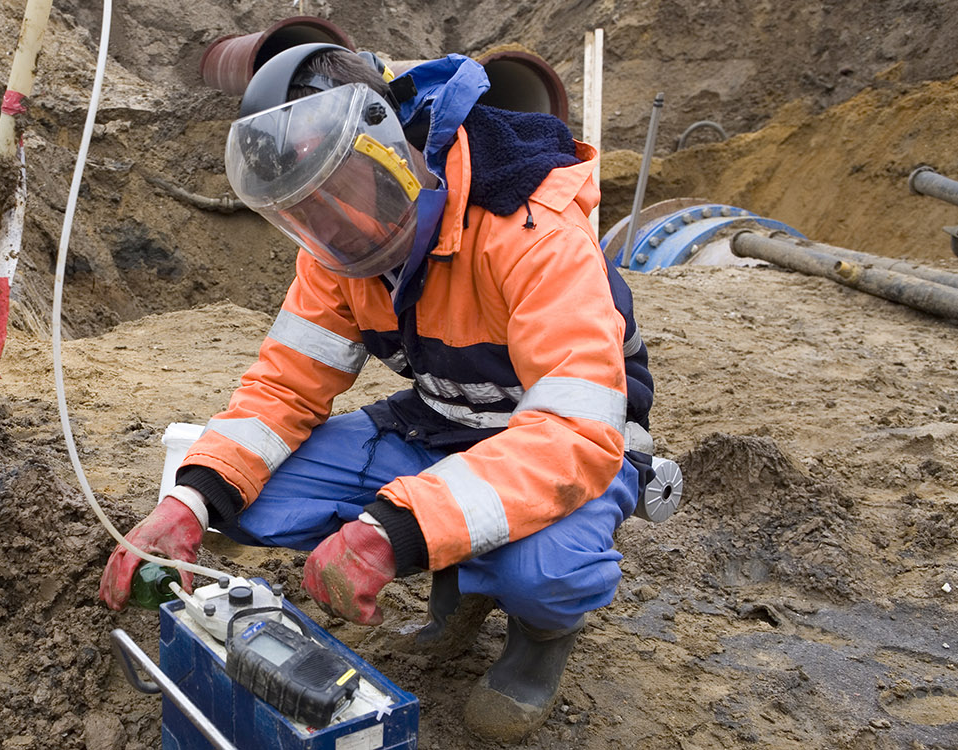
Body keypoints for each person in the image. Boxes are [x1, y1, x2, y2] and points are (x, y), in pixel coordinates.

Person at [99, 43, 654, 741]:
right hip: (441, 420)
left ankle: (539, 637)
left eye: (337, 192)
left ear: (388, 147)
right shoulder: (335, 249)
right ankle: (461, 574)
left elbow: (575, 433)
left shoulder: (531, 228)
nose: (327, 226)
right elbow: (283, 387)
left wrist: (396, 530)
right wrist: (190, 500)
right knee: (244, 503)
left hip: (572, 445)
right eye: (305, 211)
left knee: (543, 574)